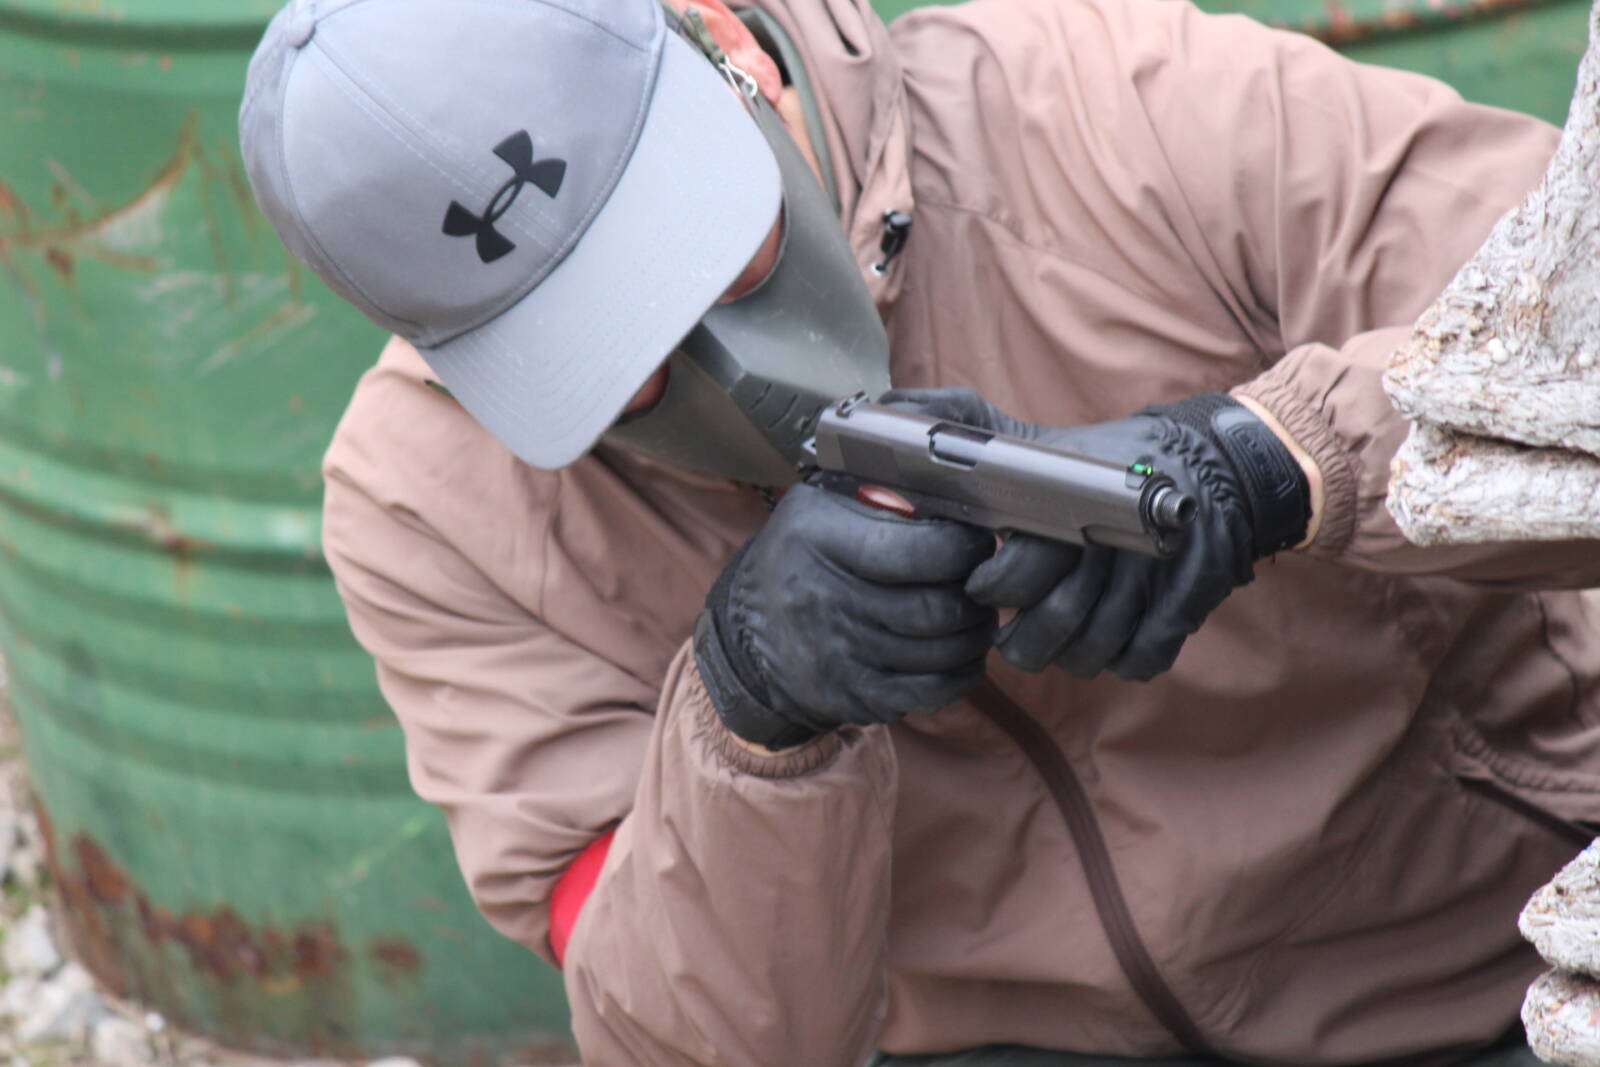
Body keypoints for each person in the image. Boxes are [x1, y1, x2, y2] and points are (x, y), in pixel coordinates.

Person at [237, 0, 1600, 1062]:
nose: (719, 369)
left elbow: (1577, 331)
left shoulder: (1121, 110)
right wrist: (751, 719)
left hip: (1513, 946)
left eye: (707, 245)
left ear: (725, 45)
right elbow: (684, 1045)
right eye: (614, 363)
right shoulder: (428, 506)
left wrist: (1282, 461)